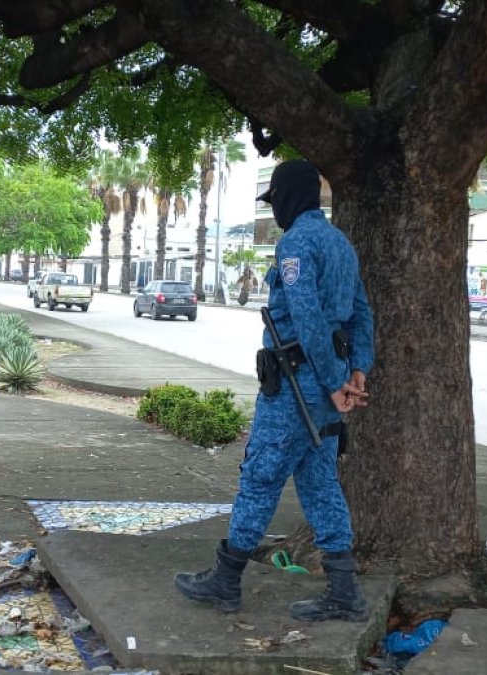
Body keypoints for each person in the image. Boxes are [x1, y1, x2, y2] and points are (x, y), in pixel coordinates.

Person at [175, 159, 375, 622]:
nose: (275, 210)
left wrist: (335, 383)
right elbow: (361, 312)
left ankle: (225, 581)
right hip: (326, 384)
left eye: (275, 200)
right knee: (320, 484)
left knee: (261, 477)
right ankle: (344, 592)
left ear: (288, 196)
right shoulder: (341, 244)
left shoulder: (297, 243)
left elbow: (306, 319)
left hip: (295, 388)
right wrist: (356, 370)